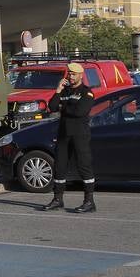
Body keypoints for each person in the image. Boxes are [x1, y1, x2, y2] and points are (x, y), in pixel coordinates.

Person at [40, 61, 96, 213]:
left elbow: (80, 112)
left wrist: (63, 107)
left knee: (84, 166)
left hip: (79, 135)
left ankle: (89, 201)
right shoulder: (64, 91)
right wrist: (58, 91)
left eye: (73, 74)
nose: (71, 76)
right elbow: (51, 107)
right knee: (60, 166)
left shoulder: (86, 92)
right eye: (69, 74)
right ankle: (58, 199)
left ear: (80, 75)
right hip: (64, 134)